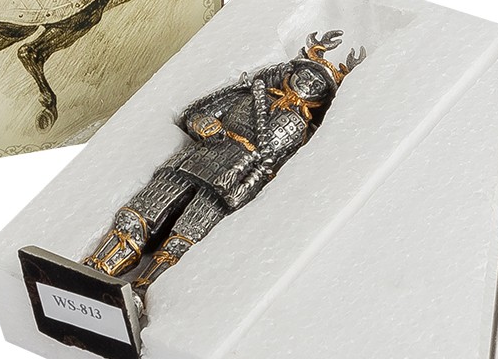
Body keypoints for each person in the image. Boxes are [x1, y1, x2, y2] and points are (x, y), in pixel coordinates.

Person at [83, 31, 366, 295]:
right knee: (137, 216)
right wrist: (203, 125)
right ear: (293, 72)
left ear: (321, 98)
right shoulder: (253, 93)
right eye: (306, 75)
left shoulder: (301, 130)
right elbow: (197, 112)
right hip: (195, 159)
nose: (308, 83)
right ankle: (96, 269)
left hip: (232, 183)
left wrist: (251, 183)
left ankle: (142, 290)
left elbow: (280, 169)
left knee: (183, 241)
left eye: (317, 85)